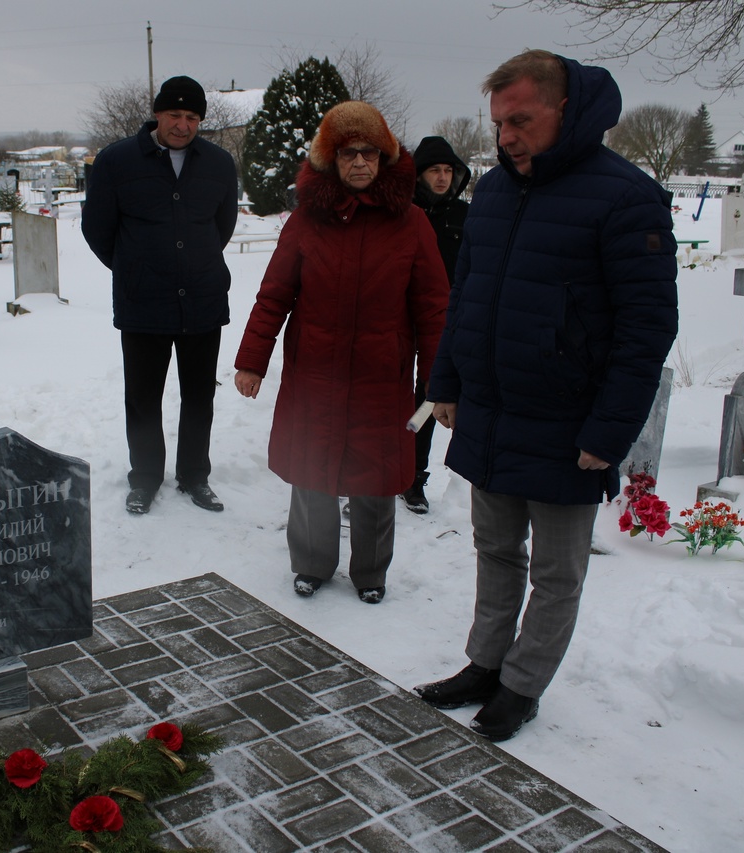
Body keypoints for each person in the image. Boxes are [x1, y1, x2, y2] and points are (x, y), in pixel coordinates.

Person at [414, 49, 679, 741]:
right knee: (495, 549)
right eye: (499, 123)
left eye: (521, 121)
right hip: (493, 412)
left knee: (557, 573)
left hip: (568, 425)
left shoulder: (626, 197)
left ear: (568, 110)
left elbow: (647, 327)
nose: (505, 138)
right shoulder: (495, 193)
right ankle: (484, 663)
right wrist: (446, 381)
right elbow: (465, 296)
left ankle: (522, 685)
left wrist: (608, 430)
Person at [233, 101, 449, 605]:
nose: (359, 163)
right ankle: (311, 563)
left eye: (369, 154)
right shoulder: (307, 221)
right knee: (313, 470)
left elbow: (435, 309)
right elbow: (274, 294)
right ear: (331, 159)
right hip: (315, 374)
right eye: (349, 153)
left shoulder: (412, 223)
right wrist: (251, 360)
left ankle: (371, 572)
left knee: (375, 479)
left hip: (382, 377)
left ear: (384, 159)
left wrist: (438, 385)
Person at [82, 76, 239, 515]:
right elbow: (97, 229)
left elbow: (220, 228)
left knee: (198, 396)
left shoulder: (219, 164)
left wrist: (195, 262)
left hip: (203, 300)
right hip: (142, 302)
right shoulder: (117, 161)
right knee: (144, 397)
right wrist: (135, 267)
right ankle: (145, 478)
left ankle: (194, 476)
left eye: (192, 117)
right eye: (174, 115)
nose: (183, 125)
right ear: (157, 114)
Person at [403, 136, 471, 515]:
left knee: (429, 396)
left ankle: (414, 476)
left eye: (449, 171)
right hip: (399, 314)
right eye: (435, 170)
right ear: (419, 174)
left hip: (445, 320)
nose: (443, 178)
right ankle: (380, 468)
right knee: (390, 393)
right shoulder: (402, 211)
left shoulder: (464, 216)